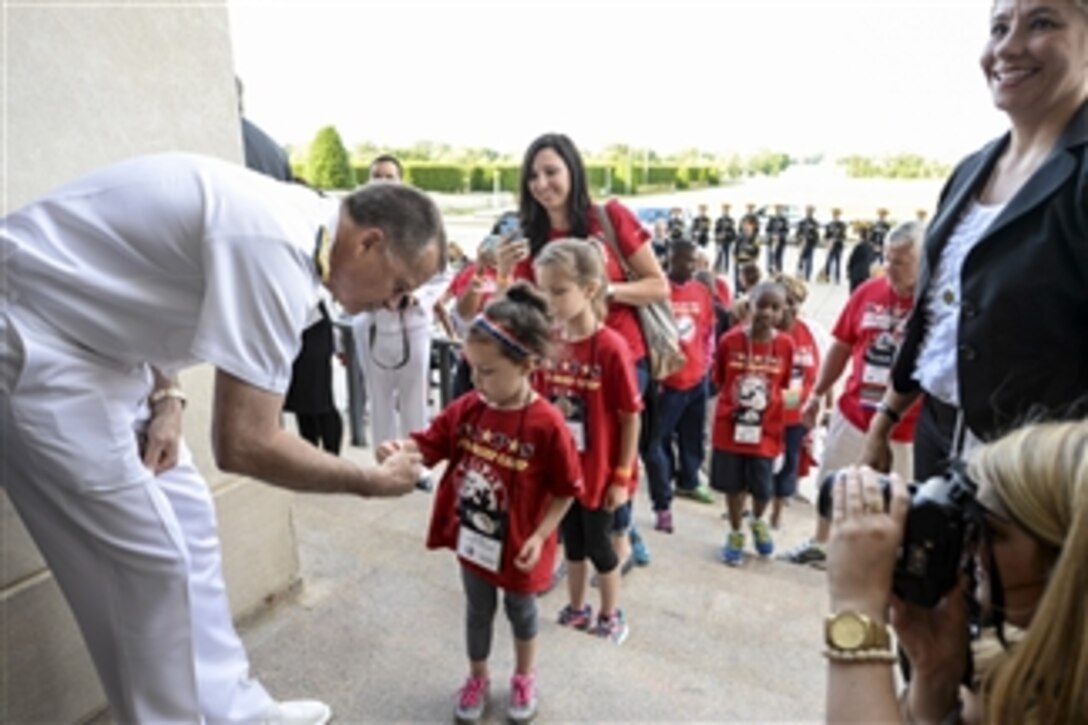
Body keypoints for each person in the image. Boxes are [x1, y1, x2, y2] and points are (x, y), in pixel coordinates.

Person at [0, 152, 445, 723]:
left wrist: (167, 395)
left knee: (190, 523)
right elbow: (244, 442)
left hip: (102, 350)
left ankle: (237, 712)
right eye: (399, 284)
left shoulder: (304, 230)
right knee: (148, 567)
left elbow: (138, 282)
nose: (394, 303)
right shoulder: (277, 247)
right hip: (35, 347)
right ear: (369, 243)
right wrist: (370, 481)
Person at [864, 0, 1088, 483]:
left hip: (1040, 477)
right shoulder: (972, 169)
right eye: (999, 27)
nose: (1008, 47)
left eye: (1042, 23)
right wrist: (886, 417)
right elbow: (936, 318)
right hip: (938, 440)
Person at [378, 285, 579, 724]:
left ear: (527, 366)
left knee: (522, 612)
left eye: (487, 371)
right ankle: (478, 676)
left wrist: (542, 535)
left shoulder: (548, 424)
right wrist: (400, 449)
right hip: (475, 539)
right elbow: (429, 443)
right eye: (472, 368)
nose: (475, 381)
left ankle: (524, 676)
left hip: (522, 543)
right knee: (478, 611)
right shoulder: (469, 407)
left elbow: (567, 488)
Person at [825, 419, 1088, 723]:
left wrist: (855, 607)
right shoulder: (1019, 666)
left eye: (991, 530)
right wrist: (935, 680)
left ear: (1066, 561)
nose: (970, 545)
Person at [499, 132, 670, 569]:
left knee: (614, 451)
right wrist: (502, 274)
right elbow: (517, 309)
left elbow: (657, 284)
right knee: (569, 452)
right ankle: (576, 543)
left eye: (552, 171)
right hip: (561, 365)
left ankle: (619, 539)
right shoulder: (528, 236)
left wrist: (598, 292)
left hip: (619, 356)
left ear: (573, 171)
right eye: (533, 175)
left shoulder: (607, 218)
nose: (542, 183)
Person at [778, 221, 923, 567]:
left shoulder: (934, 302)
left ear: (924, 260)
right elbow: (841, 346)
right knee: (833, 478)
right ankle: (821, 543)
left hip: (907, 425)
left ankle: (888, 561)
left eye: (901, 261)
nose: (890, 268)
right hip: (856, 410)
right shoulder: (868, 292)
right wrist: (818, 393)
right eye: (887, 258)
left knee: (899, 497)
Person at [532, 240, 641, 644]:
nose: (550, 300)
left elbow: (631, 417)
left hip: (599, 474)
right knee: (571, 543)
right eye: (543, 289)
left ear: (590, 288)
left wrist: (621, 476)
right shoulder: (550, 342)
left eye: (559, 291)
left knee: (600, 546)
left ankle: (611, 613)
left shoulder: (611, 348)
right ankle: (576, 608)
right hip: (563, 471)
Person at [352, 155, 449, 482]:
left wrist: (415, 295)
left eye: (390, 176)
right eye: (377, 176)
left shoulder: (422, 220)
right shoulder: (355, 222)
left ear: (402, 180)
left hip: (413, 322)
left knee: (413, 398)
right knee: (378, 397)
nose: (384, 182)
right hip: (375, 323)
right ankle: (384, 464)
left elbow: (441, 274)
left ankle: (414, 465)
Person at [711, 281, 794, 566]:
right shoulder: (730, 341)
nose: (767, 313)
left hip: (766, 431)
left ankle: (758, 520)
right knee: (733, 485)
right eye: (762, 305)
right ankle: (735, 531)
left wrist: (793, 422)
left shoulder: (785, 345)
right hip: (731, 428)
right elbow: (721, 379)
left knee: (762, 486)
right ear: (750, 305)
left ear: (783, 312)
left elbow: (789, 388)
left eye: (775, 308)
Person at [647, 239, 716, 533]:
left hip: (696, 379)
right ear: (669, 259)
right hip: (667, 383)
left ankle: (689, 480)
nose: (687, 266)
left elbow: (707, 332)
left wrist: (706, 367)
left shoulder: (701, 292)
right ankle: (663, 501)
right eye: (682, 260)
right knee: (658, 443)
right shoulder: (657, 290)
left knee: (693, 435)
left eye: (692, 261)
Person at [769, 274, 821, 530]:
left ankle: (777, 511)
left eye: (795, 302)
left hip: (795, 406)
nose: (791, 308)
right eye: (785, 302)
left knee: (789, 460)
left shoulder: (809, 332)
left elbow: (817, 372)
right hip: (764, 407)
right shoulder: (763, 330)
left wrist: (817, 404)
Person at [732, 217, 761, 292]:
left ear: (752, 228)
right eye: (745, 226)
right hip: (739, 262)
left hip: (749, 262)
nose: (746, 228)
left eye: (748, 226)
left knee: (748, 280)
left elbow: (756, 252)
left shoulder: (755, 239)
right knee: (738, 279)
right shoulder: (739, 238)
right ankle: (737, 291)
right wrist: (736, 260)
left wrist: (752, 261)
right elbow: (735, 250)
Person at [822, 207, 848, 284]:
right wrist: (827, 241)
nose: (835, 216)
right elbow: (826, 235)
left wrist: (837, 239)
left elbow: (843, 236)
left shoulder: (842, 225)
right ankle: (827, 276)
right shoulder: (829, 225)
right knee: (828, 261)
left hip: (838, 245)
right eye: (834, 215)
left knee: (838, 262)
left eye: (837, 215)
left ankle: (837, 278)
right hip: (831, 245)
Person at [795, 205, 821, 282]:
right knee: (800, 259)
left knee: (809, 260)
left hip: (810, 244)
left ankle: (807, 275)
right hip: (802, 243)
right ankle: (800, 274)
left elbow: (816, 235)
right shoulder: (802, 222)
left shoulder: (815, 223)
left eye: (810, 211)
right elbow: (798, 233)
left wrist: (812, 238)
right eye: (808, 211)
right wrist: (799, 238)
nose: (809, 213)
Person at [766, 203, 790, 274]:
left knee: (779, 257)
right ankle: (770, 271)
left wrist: (779, 235)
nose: (778, 210)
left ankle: (779, 271)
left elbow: (786, 230)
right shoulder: (771, 219)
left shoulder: (784, 220)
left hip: (781, 241)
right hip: (772, 241)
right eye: (777, 209)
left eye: (779, 209)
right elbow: (767, 229)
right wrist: (771, 235)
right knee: (770, 257)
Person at [713, 202, 737, 272]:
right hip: (720, 241)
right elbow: (716, 230)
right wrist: (718, 236)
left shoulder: (731, 220)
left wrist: (728, 235)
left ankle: (726, 268)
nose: (726, 211)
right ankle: (718, 267)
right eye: (724, 209)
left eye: (727, 210)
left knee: (727, 255)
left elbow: (733, 232)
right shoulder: (719, 220)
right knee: (719, 254)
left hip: (727, 240)